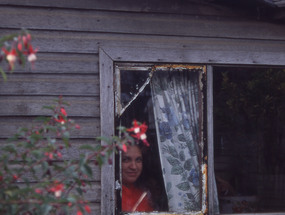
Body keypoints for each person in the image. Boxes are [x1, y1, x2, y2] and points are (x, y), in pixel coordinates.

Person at [121, 144, 154, 212]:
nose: (134, 167)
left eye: (138, 160)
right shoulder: (111, 194)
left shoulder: (142, 195)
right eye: (126, 160)